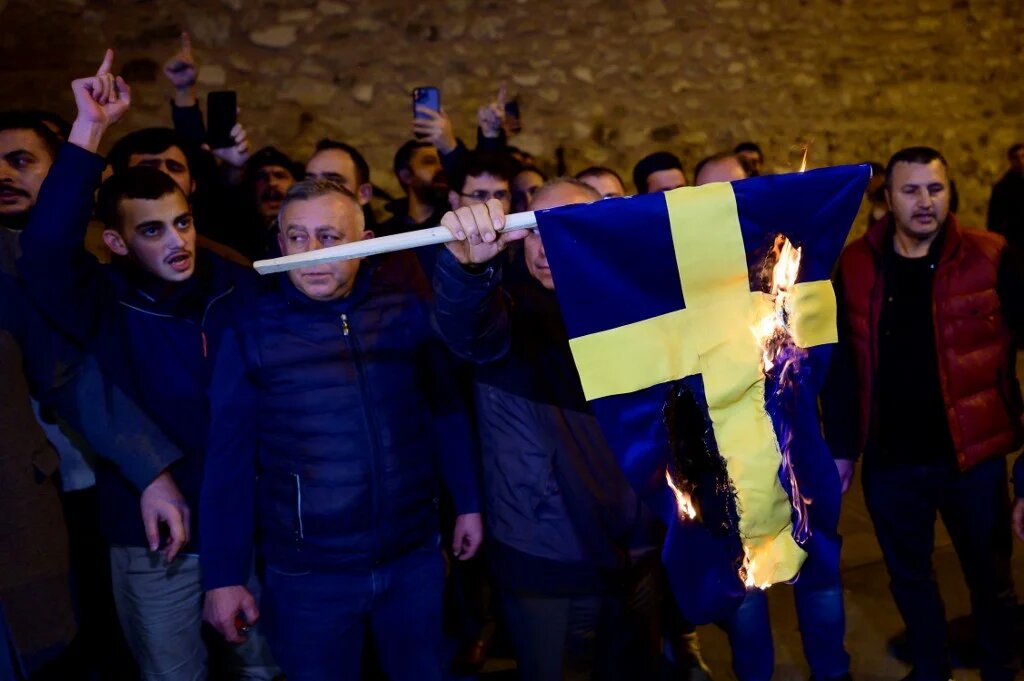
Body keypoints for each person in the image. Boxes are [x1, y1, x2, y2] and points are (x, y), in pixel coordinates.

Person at [17, 51, 277, 681]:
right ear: (116, 242)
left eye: (182, 223)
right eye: (153, 231)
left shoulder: (231, 286)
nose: (177, 241)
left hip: (244, 527)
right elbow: (47, 247)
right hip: (155, 539)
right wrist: (89, 130)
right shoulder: (102, 301)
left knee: (268, 670)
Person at [200, 178, 481, 681]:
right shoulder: (250, 329)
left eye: (328, 237)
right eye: (296, 237)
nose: (310, 253)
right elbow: (228, 460)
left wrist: (469, 502)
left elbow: (445, 410)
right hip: (309, 577)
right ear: (280, 243)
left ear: (365, 240)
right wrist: (223, 576)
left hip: (412, 558)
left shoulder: (405, 311)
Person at [434, 178, 690, 679]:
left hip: (638, 557)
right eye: (533, 231)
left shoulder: (639, 313)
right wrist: (468, 270)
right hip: (548, 564)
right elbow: (465, 326)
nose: (545, 247)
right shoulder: (507, 313)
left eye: (566, 230)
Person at [823, 146, 1022, 681]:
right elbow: (841, 362)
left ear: (949, 191)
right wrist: (842, 447)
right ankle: (930, 668)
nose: (925, 202)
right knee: (909, 576)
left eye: (935, 188)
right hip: (891, 461)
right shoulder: (858, 264)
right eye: (911, 190)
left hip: (971, 458)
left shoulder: (991, 255)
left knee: (991, 576)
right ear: (887, 199)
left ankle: (1001, 667)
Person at [377, 139, 449, 237]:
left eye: (442, 161)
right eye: (429, 162)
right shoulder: (385, 234)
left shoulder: (452, 224)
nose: (441, 168)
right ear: (406, 176)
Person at [987, 143, 1024, 252]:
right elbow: (994, 220)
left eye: (1023, 156)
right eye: (1016, 157)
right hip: (1014, 242)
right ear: (1011, 160)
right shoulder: (1003, 187)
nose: (1021, 161)